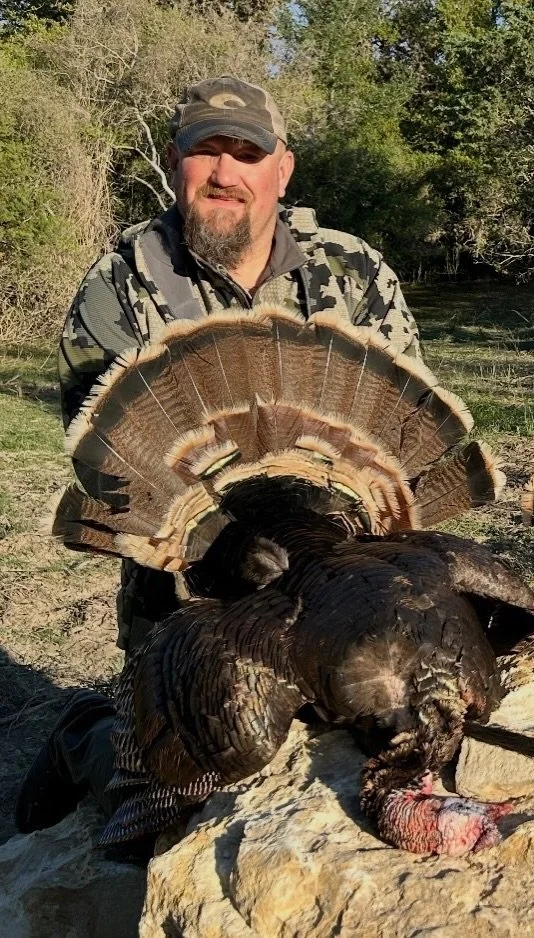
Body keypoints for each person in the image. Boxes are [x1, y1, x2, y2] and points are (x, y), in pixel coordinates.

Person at [17, 75, 422, 837]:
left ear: (283, 169)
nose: (225, 173)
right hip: (187, 591)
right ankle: (89, 739)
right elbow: (107, 467)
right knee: (189, 794)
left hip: (333, 572)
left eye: (247, 153)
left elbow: (397, 444)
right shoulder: (122, 283)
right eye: (208, 151)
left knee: (391, 735)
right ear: (176, 162)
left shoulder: (354, 273)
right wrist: (218, 541)